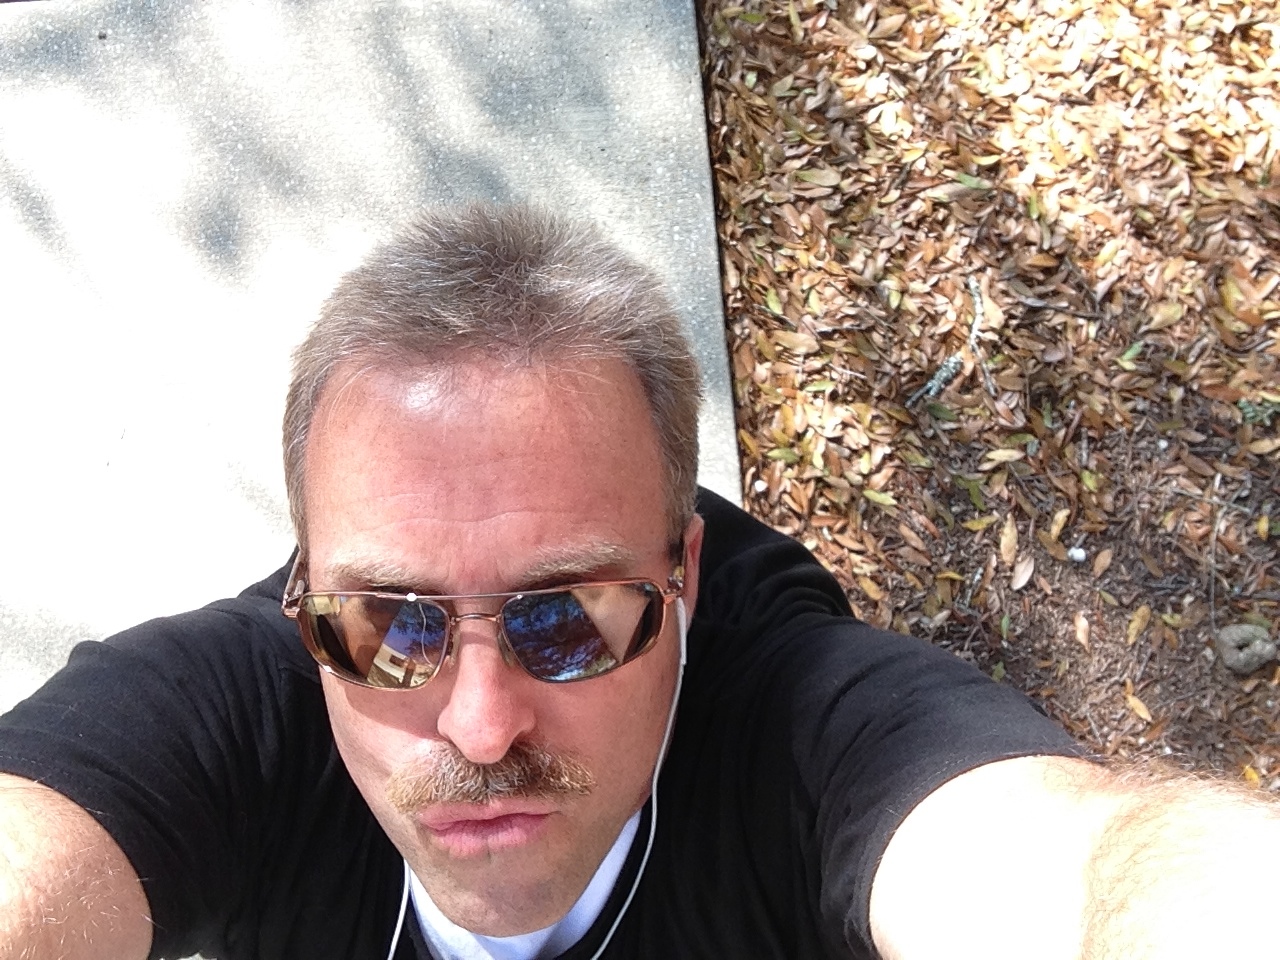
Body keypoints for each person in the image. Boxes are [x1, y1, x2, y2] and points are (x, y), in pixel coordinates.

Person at [0, 206, 1276, 960]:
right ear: (306, 593)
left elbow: (1076, 872)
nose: (479, 726)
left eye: (564, 618)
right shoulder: (235, 712)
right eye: (392, 624)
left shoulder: (798, 727)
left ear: (685, 575)